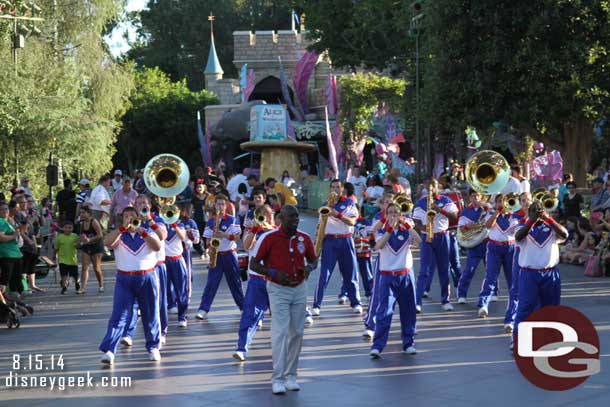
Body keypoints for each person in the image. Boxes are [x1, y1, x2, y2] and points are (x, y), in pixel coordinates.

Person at [249, 205, 317, 394]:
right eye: (291, 218)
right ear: (281, 219)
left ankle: (291, 376)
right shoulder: (269, 238)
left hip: (299, 288)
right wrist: (272, 272)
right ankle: (277, 378)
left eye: (297, 218)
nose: (295, 221)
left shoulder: (304, 238)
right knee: (280, 333)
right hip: (278, 289)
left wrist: (309, 268)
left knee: (297, 332)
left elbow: (313, 259)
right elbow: (254, 263)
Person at [99, 206, 162, 365]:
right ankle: (109, 350)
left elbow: (157, 246)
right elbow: (107, 243)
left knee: (150, 313)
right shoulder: (119, 234)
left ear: (138, 217)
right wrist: (121, 229)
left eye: (132, 215)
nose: (129, 218)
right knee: (119, 315)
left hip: (146, 277)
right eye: (126, 216)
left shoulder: (147, 231)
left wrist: (143, 232)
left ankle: (153, 346)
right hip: (124, 279)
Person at [512, 201, 568, 350]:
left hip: (550, 274)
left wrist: (548, 219)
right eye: (534, 211)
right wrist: (531, 220)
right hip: (529, 274)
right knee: (525, 308)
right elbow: (518, 237)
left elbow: (564, 234)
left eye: (540, 211)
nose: (537, 213)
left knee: (551, 308)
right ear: (529, 214)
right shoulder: (522, 227)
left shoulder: (552, 228)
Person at [369, 202, 421, 358]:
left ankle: (408, 343)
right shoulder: (380, 230)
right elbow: (378, 245)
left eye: (395, 213)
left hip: (405, 275)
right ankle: (378, 345)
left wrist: (407, 225)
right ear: (385, 215)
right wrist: (389, 230)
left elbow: (419, 240)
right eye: (389, 212)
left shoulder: (406, 231)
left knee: (408, 310)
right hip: (387, 276)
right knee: (384, 311)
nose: (393, 215)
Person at [311, 179, 363, 316]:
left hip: (345, 240)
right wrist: (317, 243)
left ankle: (356, 303)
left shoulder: (349, 203)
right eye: (332, 187)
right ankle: (316, 305)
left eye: (337, 187)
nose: (335, 189)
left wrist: (337, 214)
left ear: (342, 189)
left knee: (350, 273)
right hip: (329, 242)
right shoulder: (324, 205)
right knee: (324, 274)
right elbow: (320, 227)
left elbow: (352, 222)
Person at [233, 204, 276, 362]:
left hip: (275, 281)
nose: (268, 217)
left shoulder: (278, 232)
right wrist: (257, 229)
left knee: (283, 318)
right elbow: (246, 245)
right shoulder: (252, 232)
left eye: (269, 214)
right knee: (250, 316)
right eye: (264, 215)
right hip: (257, 280)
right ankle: (241, 348)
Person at [413, 179, 458, 312]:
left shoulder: (446, 200)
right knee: (424, 271)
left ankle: (446, 300)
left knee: (444, 269)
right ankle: (417, 301)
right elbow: (416, 222)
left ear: (438, 186)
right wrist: (425, 229)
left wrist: (439, 209)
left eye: (434, 185)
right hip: (427, 237)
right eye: (429, 185)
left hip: (443, 236)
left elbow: (454, 217)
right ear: (426, 187)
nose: (431, 188)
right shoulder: (421, 202)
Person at [196, 194, 244, 319]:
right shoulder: (211, 221)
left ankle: (243, 307)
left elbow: (238, 236)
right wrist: (210, 244)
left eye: (222, 204)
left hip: (229, 254)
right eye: (218, 204)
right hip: (216, 255)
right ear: (215, 205)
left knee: (235, 283)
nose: (220, 206)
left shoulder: (232, 220)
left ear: (226, 205)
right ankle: (203, 309)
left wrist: (224, 235)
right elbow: (207, 240)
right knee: (211, 283)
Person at [477, 195, 518, 318]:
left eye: (504, 201)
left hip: (510, 248)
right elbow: (488, 225)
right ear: (496, 203)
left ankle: (514, 308)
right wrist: (497, 212)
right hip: (494, 248)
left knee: (512, 279)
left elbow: (514, 229)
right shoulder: (490, 214)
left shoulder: (514, 216)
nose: (502, 204)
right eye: (500, 201)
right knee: (491, 277)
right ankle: (483, 305)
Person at [456, 189, 490, 303]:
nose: (476, 198)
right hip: (474, 245)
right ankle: (461, 294)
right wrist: (468, 226)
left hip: (487, 243)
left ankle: (493, 293)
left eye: (478, 196)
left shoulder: (487, 209)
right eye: (473, 196)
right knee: (469, 270)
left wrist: (488, 208)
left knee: (490, 271)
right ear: (470, 198)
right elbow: (461, 228)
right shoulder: (465, 212)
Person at [77, 206, 105, 293]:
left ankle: (101, 285)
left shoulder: (94, 221)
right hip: (86, 246)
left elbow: (100, 235)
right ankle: (82, 288)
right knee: (84, 267)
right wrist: (80, 241)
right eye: (80, 213)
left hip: (96, 246)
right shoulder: (81, 223)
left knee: (96, 268)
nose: (81, 214)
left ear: (89, 213)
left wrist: (90, 239)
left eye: (83, 213)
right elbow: (81, 234)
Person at [0, 201, 23, 296]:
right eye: (2, 209)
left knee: (16, 278)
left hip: (15, 254)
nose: (5, 211)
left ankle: (15, 301)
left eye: (6, 208)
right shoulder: (1, 221)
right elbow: (1, 237)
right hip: (7, 254)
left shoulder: (7, 221)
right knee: (5, 279)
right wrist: (14, 236)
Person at [55, 221, 81, 294]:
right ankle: (64, 287)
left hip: (73, 260)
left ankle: (77, 283)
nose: (68, 229)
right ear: (63, 228)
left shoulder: (75, 236)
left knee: (75, 275)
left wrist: (78, 243)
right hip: (62, 260)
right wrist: (54, 256)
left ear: (72, 229)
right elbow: (56, 248)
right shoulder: (59, 237)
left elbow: (78, 246)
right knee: (64, 275)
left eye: (70, 228)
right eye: (66, 228)